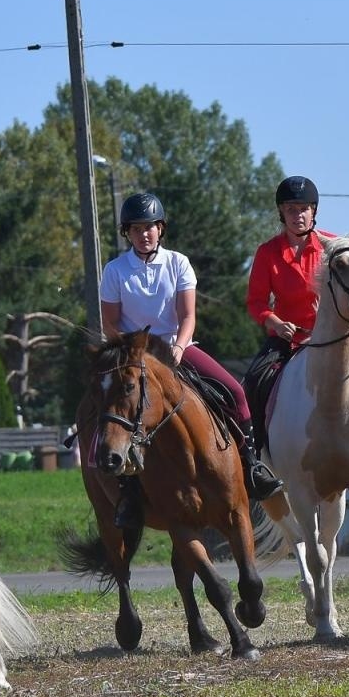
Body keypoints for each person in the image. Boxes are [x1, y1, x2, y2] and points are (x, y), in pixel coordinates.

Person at [99, 191, 283, 512]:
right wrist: (134, 351)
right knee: (113, 408)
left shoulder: (178, 263)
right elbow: (110, 323)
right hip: (133, 355)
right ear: (126, 232)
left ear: (161, 229)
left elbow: (188, 316)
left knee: (236, 393)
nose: (145, 234)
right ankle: (126, 490)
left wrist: (180, 345)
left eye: (151, 227)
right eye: (137, 228)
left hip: (176, 347)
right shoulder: (115, 270)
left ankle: (251, 465)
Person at [244, 175, 349, 480]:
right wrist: (274, 322)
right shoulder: (268, 252)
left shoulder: (334, 247)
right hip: (289, 340)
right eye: (291, 209)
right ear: (281, 213)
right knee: (252, 381)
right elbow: (255, 301)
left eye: (304, 208)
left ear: (314, 211)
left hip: (337, 338)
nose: (298, 214)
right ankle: (258, 460)